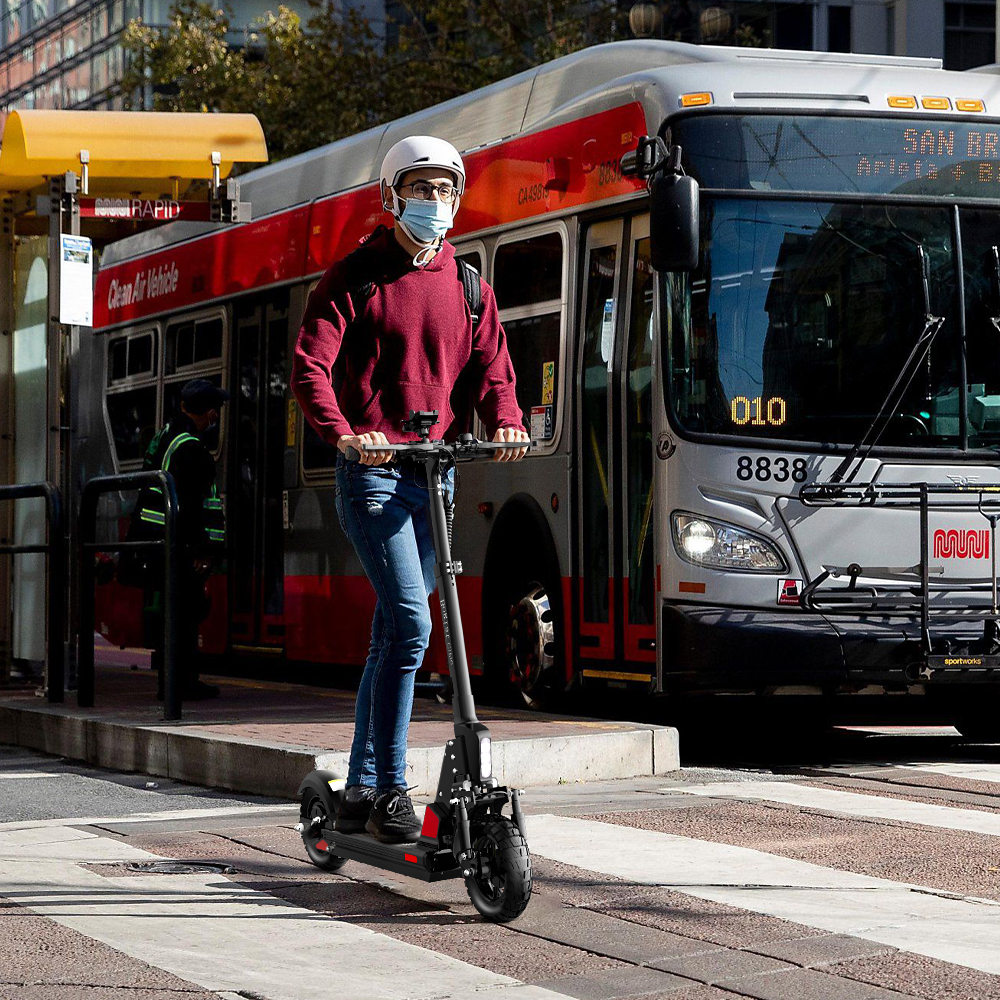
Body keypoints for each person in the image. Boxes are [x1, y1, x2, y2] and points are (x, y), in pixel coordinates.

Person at [291, 135, 530, 843]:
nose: (436, 203)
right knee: (415, 627)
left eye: (446, 190)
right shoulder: (355, 278)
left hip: (437, 472)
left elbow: (494, 370)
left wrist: (508, 422)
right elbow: (312, 367)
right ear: (391, 198)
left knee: (392, 635)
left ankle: (361, 787)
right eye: (422, 190)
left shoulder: (468, 285)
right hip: (374, 475)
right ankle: (392, 786)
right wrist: (343, 432)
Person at [126, 378, 229, 701]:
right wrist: (203, 551)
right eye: (215, 412)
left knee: (175, 613)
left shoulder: (164, 437)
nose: (216, 418)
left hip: (158, 540)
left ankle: (173, 682)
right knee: (185, 614)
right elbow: (194, 506)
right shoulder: (192, 449)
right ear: (209, 413)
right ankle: (179, 685)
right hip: (177, 545)